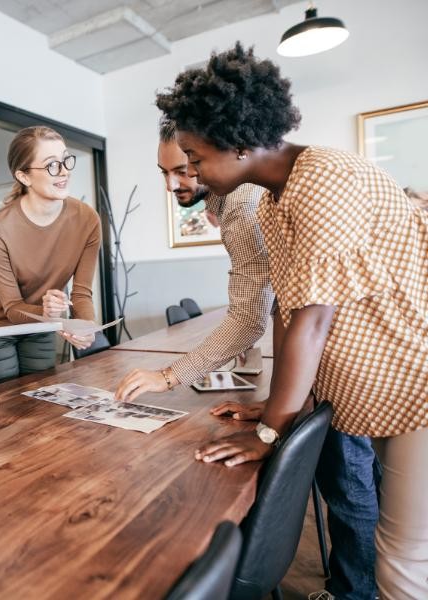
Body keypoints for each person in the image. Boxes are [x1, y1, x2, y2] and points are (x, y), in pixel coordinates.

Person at [157, 42, 427, 599]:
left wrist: (270, 431)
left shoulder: (323, 180)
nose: (194, 172)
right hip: (377, 387)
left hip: (415, 377)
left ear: (236, 142)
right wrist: (281, 403)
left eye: (196, 158)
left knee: (404, 562)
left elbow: (312, 320)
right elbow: (288, 308)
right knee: (391, 545)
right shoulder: (278, 197)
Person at [115, 119, 272, 402]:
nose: (170, 185)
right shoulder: (236, 199)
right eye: (164, 173)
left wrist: (167, 377)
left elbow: (249, 320)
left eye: (182, 170)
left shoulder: (241, 203)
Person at [0, 126, 101, 386]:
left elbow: (81, 294)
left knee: (42, 398)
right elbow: (11, 308)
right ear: (24, 176)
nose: (64, 171)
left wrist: (85, 327)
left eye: (66, 160)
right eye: (52, 165)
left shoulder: (87, 219)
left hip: (45, 322)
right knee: (8, 404)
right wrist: (51, 314)